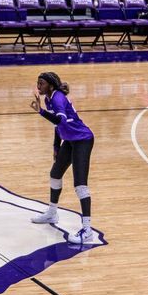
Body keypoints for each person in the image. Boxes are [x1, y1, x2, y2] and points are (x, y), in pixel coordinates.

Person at [30, 71, 97, 244]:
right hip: (69, 140)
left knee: (80, 185)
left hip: (82, 140)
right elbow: (57, 126)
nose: (38, 86)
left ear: (50, 85)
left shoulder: (58, 98)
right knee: (55, 174)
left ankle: (87, 230)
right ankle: (52, 213)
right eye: (38, 83)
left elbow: (60, 120)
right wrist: (55, 146)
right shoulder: (49, 98)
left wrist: (41, 112)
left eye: (41, 83)